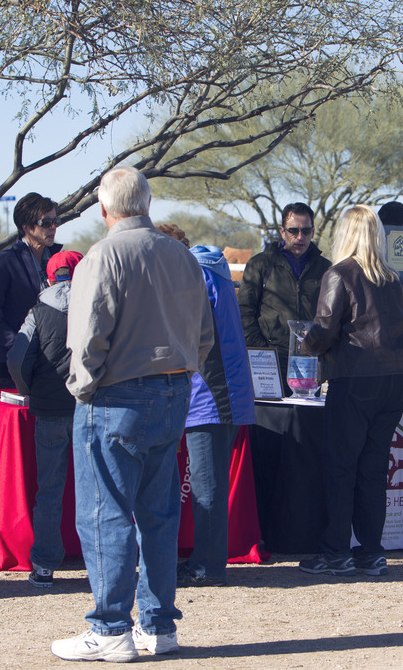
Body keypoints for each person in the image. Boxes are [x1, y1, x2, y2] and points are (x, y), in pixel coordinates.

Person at [52, 167, 214, 662]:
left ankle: (110, 628)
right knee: (159, 515)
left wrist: (82, 389)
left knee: (104, 515)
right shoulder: (182, 256)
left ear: (104, 209)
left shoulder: (101, 256)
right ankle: (158, 625)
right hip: (173, 392)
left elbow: (87, 337)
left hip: (117, 396)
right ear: (148, 203)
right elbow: (204, 334)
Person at [298, 205, 403, 577]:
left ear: (346, 233)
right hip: (395, 380)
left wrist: (306, 342)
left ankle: (335, 552)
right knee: (374, 467)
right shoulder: (393, 278)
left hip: (355, 379)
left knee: (342, 466)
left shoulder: (340, 274)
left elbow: (325, 328)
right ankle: (371, 551)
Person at [155, 224, 256, 587]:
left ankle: (208, 565)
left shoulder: (195, 277)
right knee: (206, 480)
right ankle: (207, 559)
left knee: (207, 484)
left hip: (211, 394)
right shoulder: (211, 273)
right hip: (221, 392)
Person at [6, 249, 84, 589]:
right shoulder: (97, 305)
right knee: (98, 489)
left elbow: (17, 358)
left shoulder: (38, 311)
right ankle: (103, 563)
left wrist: (29, 390)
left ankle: (44, 566)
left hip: (49, 410)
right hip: (89, 408)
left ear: (49, 277)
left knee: (49, 491)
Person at [237, 202, 331, 391]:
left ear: (313, 232)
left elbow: (331, 317)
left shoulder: (326, 268)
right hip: (269, 362)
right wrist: (262, 352)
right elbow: (244, 313)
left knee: (306, 419)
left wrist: (322, 353)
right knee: (268, 418)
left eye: (305, 231)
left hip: (310, 363)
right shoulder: (260, 265)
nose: (299, 237)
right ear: (282, 231)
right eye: (293, 230)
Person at [0, 193, 62, 389]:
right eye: (46, 222)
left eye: (55, 221)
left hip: (53, 365)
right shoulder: (5, 262)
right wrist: (19, 344)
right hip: (12, 365)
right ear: (26, 226)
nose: (53, 227)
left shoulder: (60, 261)